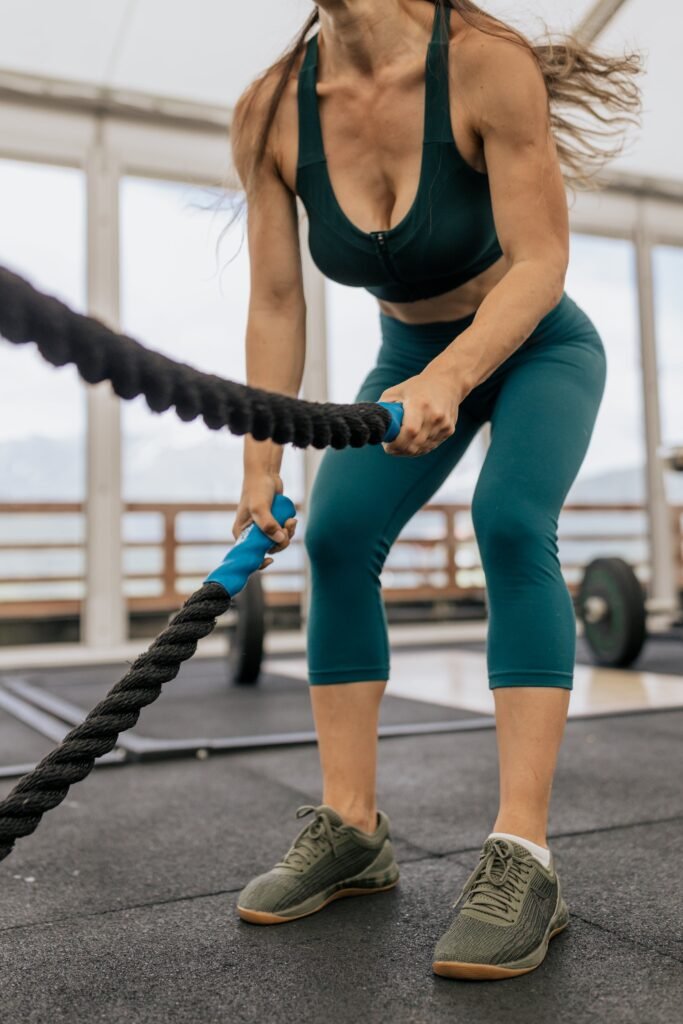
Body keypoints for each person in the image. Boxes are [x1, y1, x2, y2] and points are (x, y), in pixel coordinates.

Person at [228, 0, 641, 980]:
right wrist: (259, 456)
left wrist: (455, 377)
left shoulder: (486, 65)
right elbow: (277, 299)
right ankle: (352, 827)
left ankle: (522, 854)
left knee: (507, 522)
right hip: (407, 353)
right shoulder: (270, 112)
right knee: (334, 538)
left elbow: (539, 260)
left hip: (535, 343)